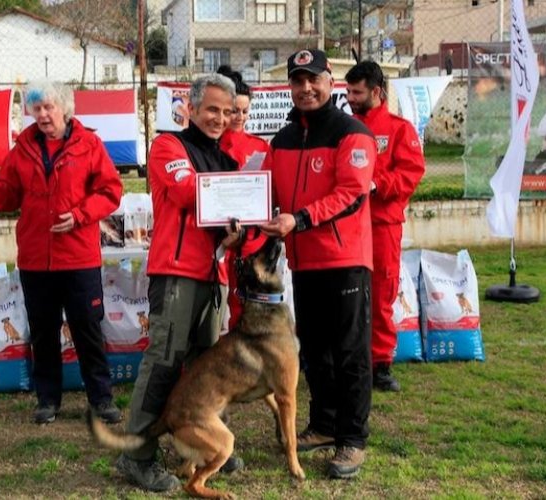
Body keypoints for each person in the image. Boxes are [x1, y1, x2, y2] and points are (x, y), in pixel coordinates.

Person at [0, 80, 123, 426]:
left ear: (64, 107)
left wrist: (79, 216)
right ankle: (47, 399)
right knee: (43, 331)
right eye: (37, 108)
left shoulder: (89, 144)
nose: (44, 115)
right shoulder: (21, 149)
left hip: (79, 258)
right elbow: (6, 196)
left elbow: (110, 191)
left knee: (88, 330)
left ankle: (101, 398)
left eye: (49, 107)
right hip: (36, 259)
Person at [117, 74, 242, 492]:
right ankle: (135, 455)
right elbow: (187, 191)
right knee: (163, 364)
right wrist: (238, 196)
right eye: (211, 110)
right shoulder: (169, 146)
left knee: (207, 369)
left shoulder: (227, 159)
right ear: (189, 109)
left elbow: (234, 215)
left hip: (214, 275)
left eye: (227, 112)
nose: (220, 118)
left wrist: (237, 230)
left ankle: (206, 444)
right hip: (176, 272)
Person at [260, 49, 376, 479]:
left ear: (331, 81)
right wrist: (241, 220)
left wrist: (301, 219)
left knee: (349, 352)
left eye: (314, 79)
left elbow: (352, 193)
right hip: (304, 262)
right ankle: (324, 425)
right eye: (298, 80)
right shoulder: (284, 139)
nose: (306, 88)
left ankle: (352, 438)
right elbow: (264, 192)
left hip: (345, 260)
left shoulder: (353, 134)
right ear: (290, 86)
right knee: (316, 349)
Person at [345, 61, 426, 392]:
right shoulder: (345, 128)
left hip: (381, 225)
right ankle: (350, 360)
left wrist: (376, 185)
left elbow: (412, 172)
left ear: (376, 92)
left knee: (381, 293)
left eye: (356, 92)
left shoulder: (399, 129)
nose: (350, 97)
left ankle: (380, 364)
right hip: (347, 225)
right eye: (348, 91)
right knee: (348, 295)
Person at [215, 66, 270, 329]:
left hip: (251, 237)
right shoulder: (212, 144)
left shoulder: (259, 146)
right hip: (218, 235)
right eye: (235, 110)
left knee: (247, 302)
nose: (240, 117)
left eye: (245, 111)